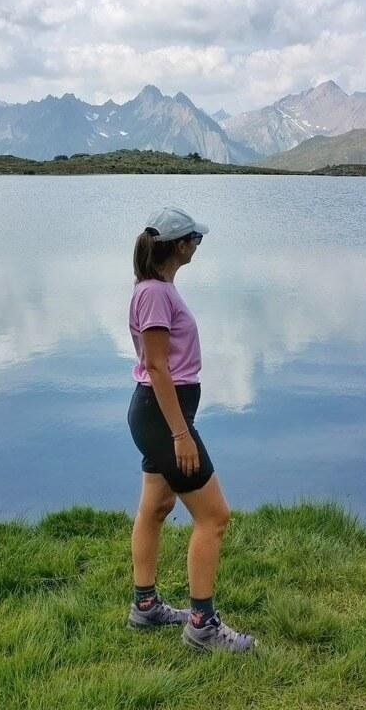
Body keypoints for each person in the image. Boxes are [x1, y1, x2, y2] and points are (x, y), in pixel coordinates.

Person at [124, 206, 258, 653]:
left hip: (157, 413)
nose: (198, 245)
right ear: (179, 245)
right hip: (165, 416)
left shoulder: (155, 289)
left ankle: (145, 607)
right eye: (195, 239)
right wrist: (181, 434)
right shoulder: (157, 295)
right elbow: (158, 366)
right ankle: (202, 625)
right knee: (214, 517)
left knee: (156, 507)